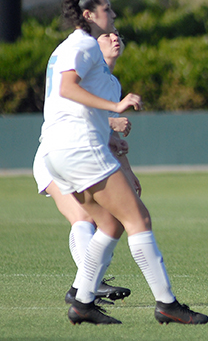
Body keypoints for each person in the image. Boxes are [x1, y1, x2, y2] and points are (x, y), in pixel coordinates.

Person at [37, 0, 208, 325]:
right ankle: (166, 304)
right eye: (107, 10)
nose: (113, 16)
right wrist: (115, 107)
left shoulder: (70, 48)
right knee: (139, 220)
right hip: (78, 148)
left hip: (57, 151)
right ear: (88, 15)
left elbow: (68, 100)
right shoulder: (83, 44)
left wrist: (110, 135)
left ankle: (83, 302)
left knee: (110, 223)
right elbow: (67, 89)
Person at [32, 29, 139, 307]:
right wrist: (113, 120)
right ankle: (89, 283)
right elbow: (68, 101)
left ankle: (83, 286)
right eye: (106, 36)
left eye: (117, 36)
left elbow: (109, 140)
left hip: (79, 156)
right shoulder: (84, 70)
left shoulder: (108, 81)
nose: (114, 38)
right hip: (55, 154)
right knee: (83, 216)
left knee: (102, 220)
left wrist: (127, 171)